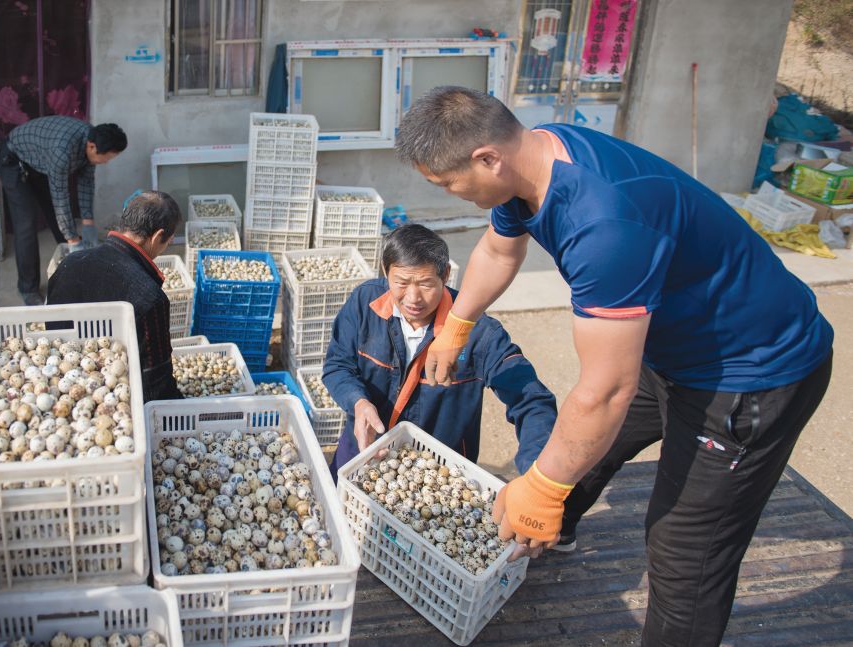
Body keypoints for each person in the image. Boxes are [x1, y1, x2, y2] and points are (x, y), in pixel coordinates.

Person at [395, 86, 833, 646]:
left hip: (750, 371)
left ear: (487, 159)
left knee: (683, 547)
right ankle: (542, 536)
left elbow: (605, 390)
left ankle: (552, 517)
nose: (450, 194)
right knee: (580, 445)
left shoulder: (604, 225)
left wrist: (545, 486)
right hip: (668, 346)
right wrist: (457, 326)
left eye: (447, 183)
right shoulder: (531, 161)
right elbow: (499, 251)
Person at [322, 223, 557, 478]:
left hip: (438, 471)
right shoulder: (364, 304)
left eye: (425, 284)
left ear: (445, 275)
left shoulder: (479, 333)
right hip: (363, 447)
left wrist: (536, 475)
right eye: (401, 282)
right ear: (385, 271)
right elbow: (337, 365)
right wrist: (358, 401)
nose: (413, 298)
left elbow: (532, 400)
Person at [47, 190, 183, 403]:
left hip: (59, 392)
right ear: (158, 237)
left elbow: (52, 338)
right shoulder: (149, 296)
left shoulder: (68, 264)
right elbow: (155, 382)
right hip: (115, 406)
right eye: (168, 241)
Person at [0, 116, 127, 305]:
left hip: (38, 161)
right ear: (92, 147)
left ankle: (72, 265)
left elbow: (86, 183)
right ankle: (28, 289)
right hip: (12, 160)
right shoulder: (62, 151)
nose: (106, 162)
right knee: (26, 224)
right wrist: (74, 240)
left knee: (59, 218)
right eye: (106, 158)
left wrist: (88, 222)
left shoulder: (93, 138)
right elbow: (60, 197)